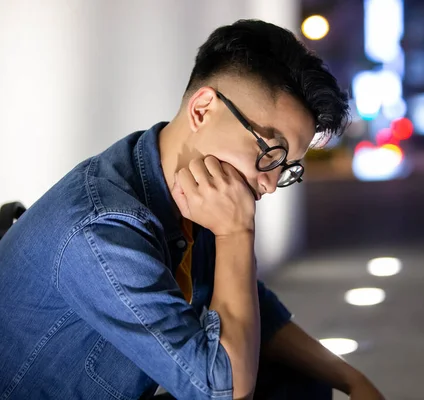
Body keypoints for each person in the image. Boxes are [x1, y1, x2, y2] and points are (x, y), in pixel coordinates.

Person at [0, 19, 384, 400]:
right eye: (270, 152)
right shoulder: (104, 228)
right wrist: (236, 234)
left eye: (286, 168)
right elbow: (223, 391)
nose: (268, 184)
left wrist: (351, 379)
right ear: (202, 109)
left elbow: (253, 307)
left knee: (298, 383)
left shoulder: (173, 184)